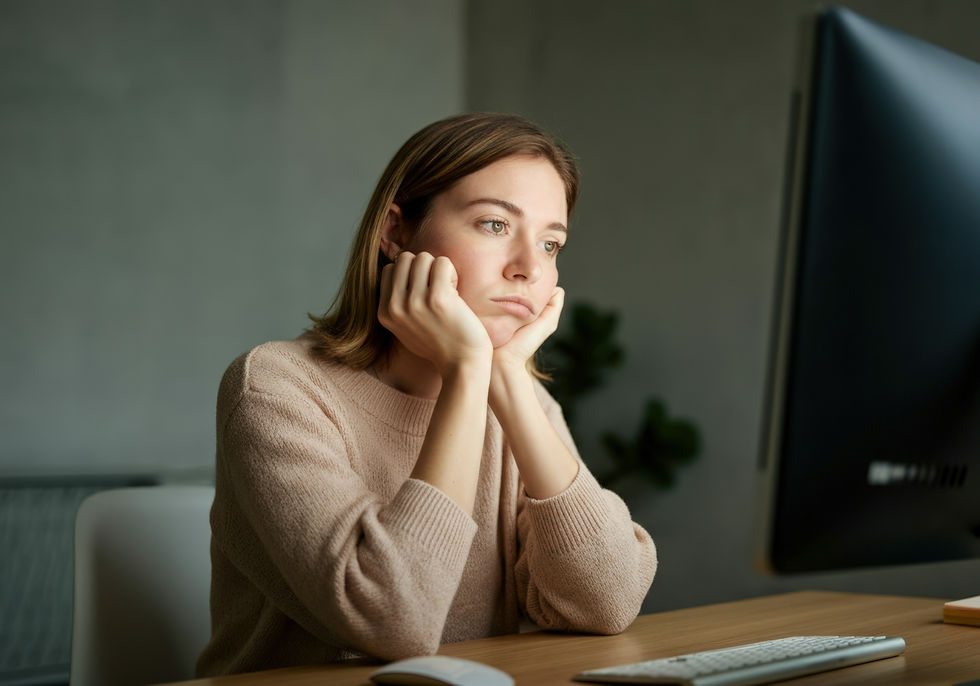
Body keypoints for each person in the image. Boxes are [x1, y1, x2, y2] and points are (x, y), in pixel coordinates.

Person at [196, 112, 657, 677]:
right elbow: (393, 620)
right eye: (494, 224)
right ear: (396, 232)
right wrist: (465, 372)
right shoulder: (275, 387)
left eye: (551, 244)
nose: (529, 269)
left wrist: (507, 381)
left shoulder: (521, 401)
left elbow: (607, 602)